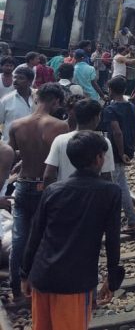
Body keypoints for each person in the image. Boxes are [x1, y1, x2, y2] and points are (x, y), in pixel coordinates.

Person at [20, 131, 124, 329]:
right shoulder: (110, 192)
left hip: (42, 276)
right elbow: (112, 239)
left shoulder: (53, 190)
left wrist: (25, 273)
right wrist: (111, 279)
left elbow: (35, 234)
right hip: (75, 281)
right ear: (98, 158)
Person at [7, 83, 69, 301]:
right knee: (44, 237)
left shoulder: (17, 124)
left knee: (19, 237)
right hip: (47, 186)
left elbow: (13, 152)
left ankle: (16, 287)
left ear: (36, 99)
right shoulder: (60, 126)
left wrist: (23, 159)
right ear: (56, 101)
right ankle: (38, 285)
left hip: (23, 183)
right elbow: (58, 159)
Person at [102, 77, 135, 234]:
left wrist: (121, 152)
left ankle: (131, 222)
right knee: (119, 182)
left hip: (117, 151)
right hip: (127, 147)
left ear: (110, 90)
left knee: (120, 185)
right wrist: (132, 146)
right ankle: (126, 218)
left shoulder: (110, 109)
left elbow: (116, 132)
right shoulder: (131, 105)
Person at [44, 98, 114, 183]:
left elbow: (48, 176)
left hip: (65, 193)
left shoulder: (60, 140)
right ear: (96, 118)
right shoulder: (103, 142)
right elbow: (106, 176)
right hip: (94, 194)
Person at [0, 66, 36, 142]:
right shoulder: (6, 100)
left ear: (30, 81)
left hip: (33, 145)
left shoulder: (39, 97)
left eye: (21, 78)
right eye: (15, 77)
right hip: (11, 145)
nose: (15, 80)